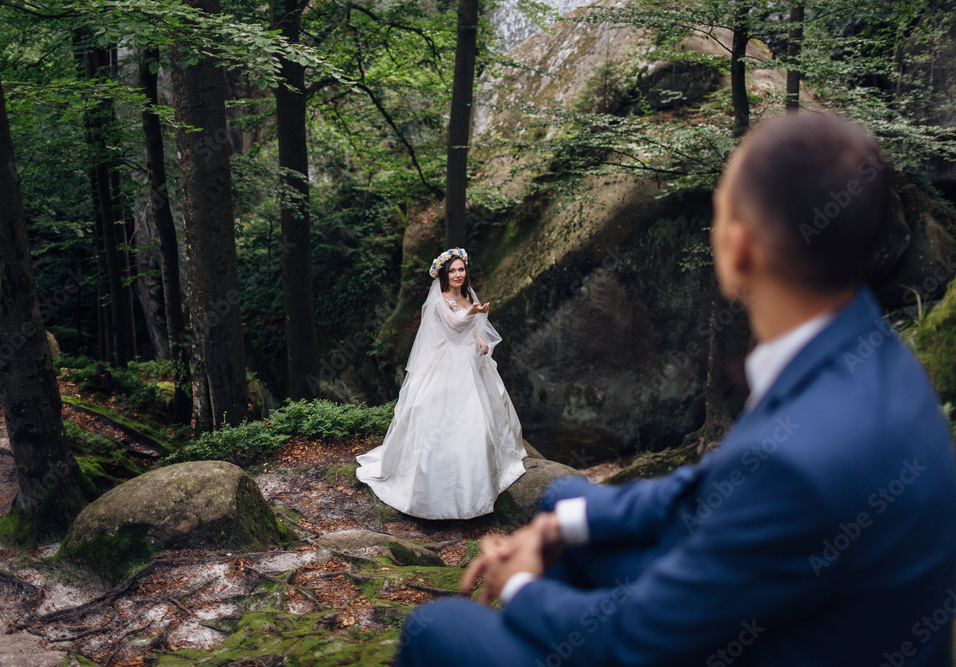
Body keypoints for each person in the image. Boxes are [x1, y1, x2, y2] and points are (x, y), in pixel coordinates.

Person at [395, 113, 956, 665]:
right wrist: (565, 522)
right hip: (791, 604)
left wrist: (521, 588)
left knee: (437, 627)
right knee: (565, 503)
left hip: (708, 638)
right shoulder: (872, 355)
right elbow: (706, 487)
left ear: (739, 250)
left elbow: (636, 639)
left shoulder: (798, 463)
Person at [356, 248, 527, 520]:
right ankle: (439, 492)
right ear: (444, 275)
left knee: (482, 416)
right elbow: (454, 327)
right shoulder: (440, 301)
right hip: (448, 363)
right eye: (453, 271)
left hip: (471, 361)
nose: (458, 274)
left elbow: (471, 329)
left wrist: (480, 338)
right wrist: (471, 314)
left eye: (461, 269)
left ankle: (485, 479)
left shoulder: (467, 295)